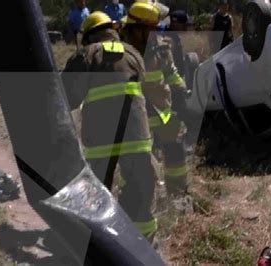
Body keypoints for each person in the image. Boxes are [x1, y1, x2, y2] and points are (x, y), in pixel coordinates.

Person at [62, 11, 160, 242]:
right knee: (141, 190)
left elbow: (67, 98)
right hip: (137, 138)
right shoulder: (134, 54)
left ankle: (99, 246)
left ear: (89, 36)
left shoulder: (87, 55)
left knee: (96, 196)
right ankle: (143, 246)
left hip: (101, 143)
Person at [120, 2, 189, 199]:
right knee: (140, 163)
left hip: (163, 112)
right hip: (135, 118)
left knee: (176, 153)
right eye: (152, 28)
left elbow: (172, 74)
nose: (156, 32)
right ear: (139, 28)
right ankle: (142, 201)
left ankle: (178, 196)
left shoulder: (161, 46)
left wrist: (181, 96)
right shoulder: (121, 49)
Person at [163, 10, 188, 77]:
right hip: (171, 77)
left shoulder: (172, 34)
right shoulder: (168, 38)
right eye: (184, 24)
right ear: (176, 24)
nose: (185, 27)